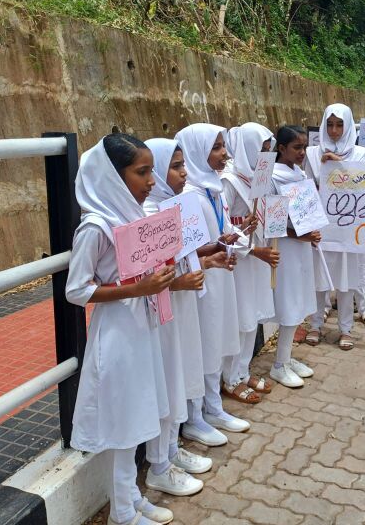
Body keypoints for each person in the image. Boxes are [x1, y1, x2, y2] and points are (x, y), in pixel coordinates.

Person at [66, 133, 177, 525]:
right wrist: (138, 287)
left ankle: (130, 496)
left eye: (151, 171)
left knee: (139, 414)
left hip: (140, 326)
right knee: (124, 424)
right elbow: (76, 290)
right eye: (141, 172)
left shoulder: (134, 217)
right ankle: (123, 514)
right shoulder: (96, 226)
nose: (151, 181)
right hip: (116, 334)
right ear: (114, 177)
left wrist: (160, 273)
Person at [143, 138, 218, 490]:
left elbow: (185, 255)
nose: (183, 173)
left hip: (182, 306)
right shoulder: (148, 217)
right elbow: (147, 277)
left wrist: (206, 261)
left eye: (183, 164)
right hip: (162, 314)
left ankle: (171, 450)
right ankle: (159, 465)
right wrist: (180, 281)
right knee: (168, 381)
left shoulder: (175, 207)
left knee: (179, 376)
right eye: (175, 167)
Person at [174, 123, 252, 442]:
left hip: (220, 275)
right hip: (201, 280)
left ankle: (213, 406)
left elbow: (215, 234)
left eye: (224, 146)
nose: (225, 154)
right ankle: (195, 416)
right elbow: (188, 248)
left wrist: (235, 234)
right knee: (201, 344)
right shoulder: (188, 195)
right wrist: (219, 245)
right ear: (196, 150)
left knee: (216, 340)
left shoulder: (212, 188)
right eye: (217, 147)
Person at [220, 123, 280, 403]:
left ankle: (242, 371)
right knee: (241, 317)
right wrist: (252, 246)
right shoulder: (228, 181)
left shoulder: (258, 178)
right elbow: (223, 228)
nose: (265, 157)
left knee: (253, 315)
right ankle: (230, 378)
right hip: (240, 259)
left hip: (257, 253)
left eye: (269, 151)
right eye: (261, 150)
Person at [304, 103, 365, 350]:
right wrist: (308, 227)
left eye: (339, 124)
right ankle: (316, 323)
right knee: (319, 277)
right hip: (321, 225)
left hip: (348, 226)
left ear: (349, 124)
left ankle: (345, 328)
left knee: (346, 278)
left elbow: (362, 187)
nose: (333, 130)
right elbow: (308, 191)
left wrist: (338, 164)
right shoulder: (312, 154)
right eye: (329, 124)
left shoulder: (360, 154)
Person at [268, 126, 319, 387]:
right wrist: (303, 236)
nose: (302, 152)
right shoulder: (274, 178)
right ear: (281, 149)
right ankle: (278, 365)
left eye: (304, 147)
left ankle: (286, 357)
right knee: (289, 302)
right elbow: (274, 225)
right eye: (297, 147)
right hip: (286, 248)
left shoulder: (299, 173)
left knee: (299, 299)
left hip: (301, 247)